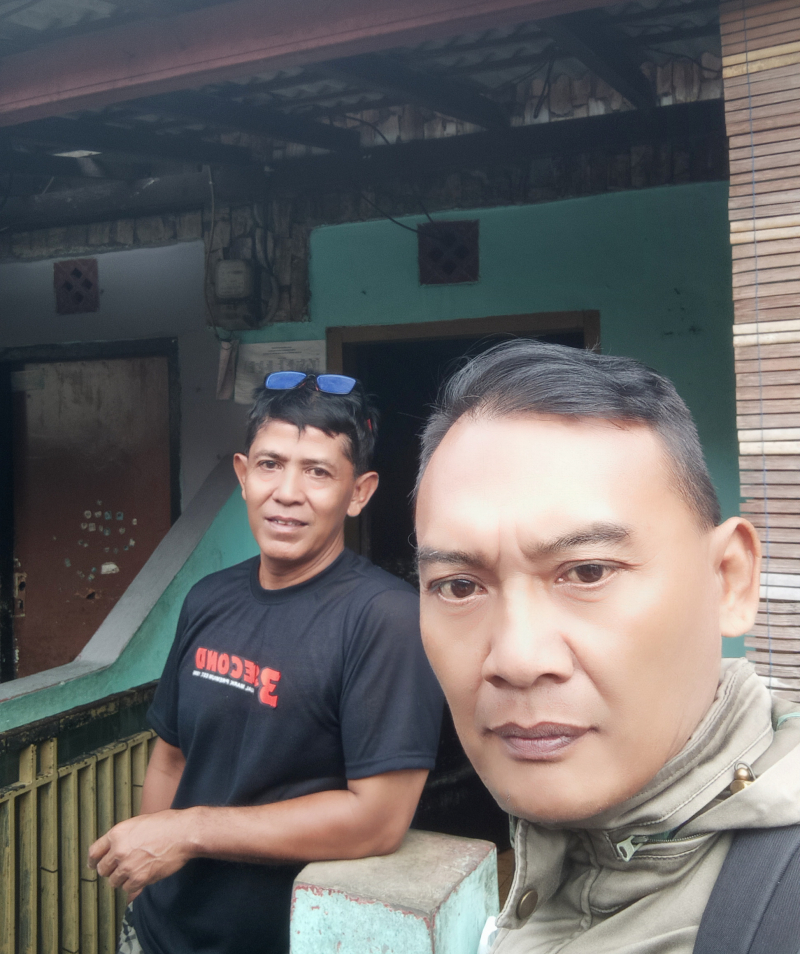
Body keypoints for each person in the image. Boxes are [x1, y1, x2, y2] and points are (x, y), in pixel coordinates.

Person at [414, 340, 800, 954]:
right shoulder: (554, 860)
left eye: (588, 572)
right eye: (459, 586)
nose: (517, 659)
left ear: (728, 579)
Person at [89, 371, 444, 954]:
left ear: (359, 492)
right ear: (243, 475)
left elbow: (378, 820)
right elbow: (171, 759)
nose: (287, 492)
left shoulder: (387, 619)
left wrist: (188, 830)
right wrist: (147, 887)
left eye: (318, 472)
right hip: (158, 933)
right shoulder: (207, 598)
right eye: (270, 464)